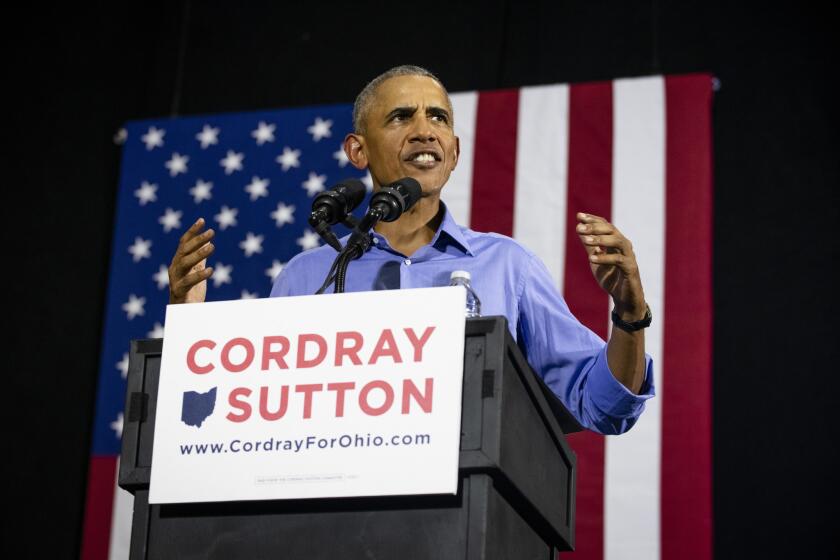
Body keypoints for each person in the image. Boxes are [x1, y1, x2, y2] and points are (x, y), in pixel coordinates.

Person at [168, 65, 654, 435]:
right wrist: (192, 334)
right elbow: (252, 415)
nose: (424, 131)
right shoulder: (306, 276)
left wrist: (630, 313)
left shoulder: (507, 267)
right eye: (402, 117)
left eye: (437, 117)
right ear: (357, 151)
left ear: (454, 151)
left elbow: (604, 405)